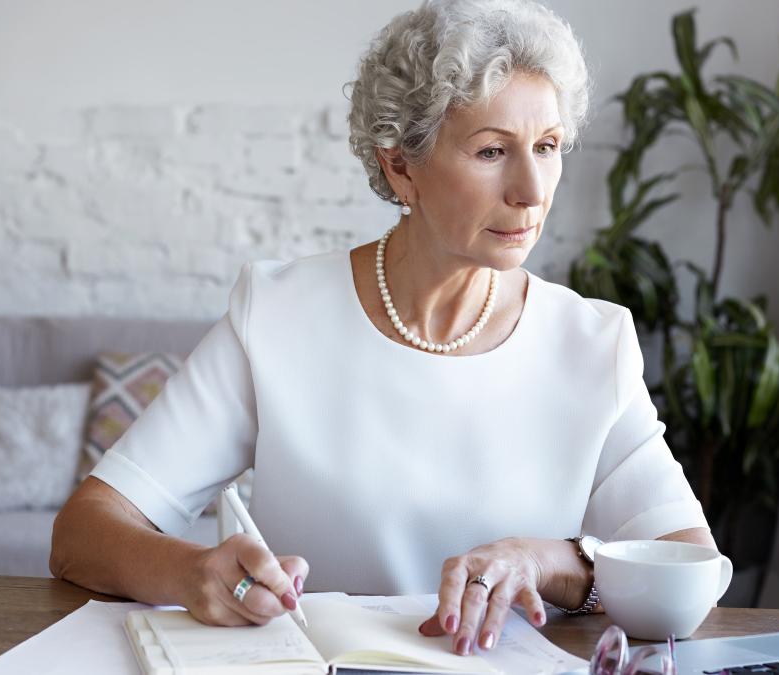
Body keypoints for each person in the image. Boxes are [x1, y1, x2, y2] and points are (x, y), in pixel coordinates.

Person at [50, 0, 716, 658]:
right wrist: (193, 572)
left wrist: (548, 559)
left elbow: (694, 568)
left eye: (547, 146)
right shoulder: (279, 315)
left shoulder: (592, 342)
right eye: (492, 150)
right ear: (400, 165)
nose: (532, 189)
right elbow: (83, 532)